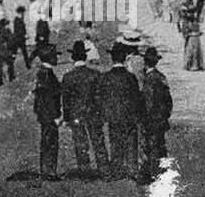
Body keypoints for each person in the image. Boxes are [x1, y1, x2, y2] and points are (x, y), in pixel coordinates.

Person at [96, 42, 144, 181]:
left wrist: (105, 113)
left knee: (115, 142)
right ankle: (132, 168)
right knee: (131, 142)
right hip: (129, 115)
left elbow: (102, 98)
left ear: (112, 58)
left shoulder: (105, 77)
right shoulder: (130, 77)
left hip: (113, 116)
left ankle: (117, 169)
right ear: (124, 58)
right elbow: (136, 98)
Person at [60, 40, 103, 172]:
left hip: (76, 115)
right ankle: (104, 169)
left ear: (73, 58)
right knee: (98, 143)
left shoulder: (68, 77)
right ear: (85, 57)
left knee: (80, 143)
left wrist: (66, 118)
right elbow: (100, 97)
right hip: (93, 113)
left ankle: (85, 171)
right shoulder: (95, 74)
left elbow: (65, 101)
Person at [140, 46, 173, 181]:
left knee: (148, 147)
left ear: (145, 62)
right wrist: (165, 115)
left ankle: (148, 174)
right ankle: (162, 172)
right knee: (160, 145)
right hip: (161, 119)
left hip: (150, 119)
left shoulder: (148, 80)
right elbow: (168, 101)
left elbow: (148, 102)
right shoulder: (161, 77)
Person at [32, 44, 62, 179]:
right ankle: (49, 171)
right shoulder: (46, 74)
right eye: (55, 56)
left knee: (47, 141)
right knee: (50, 142)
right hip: (49, 115)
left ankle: (47, 170)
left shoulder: (43, 72)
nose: (57, 58)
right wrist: (55, 115)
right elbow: (49, 98)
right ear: (50, 58)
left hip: (44, 114)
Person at [0, 16, 15, 86]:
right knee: (10, 63)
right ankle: (11, 77)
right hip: (4, 51)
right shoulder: (6, 31)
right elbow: (11, 41)